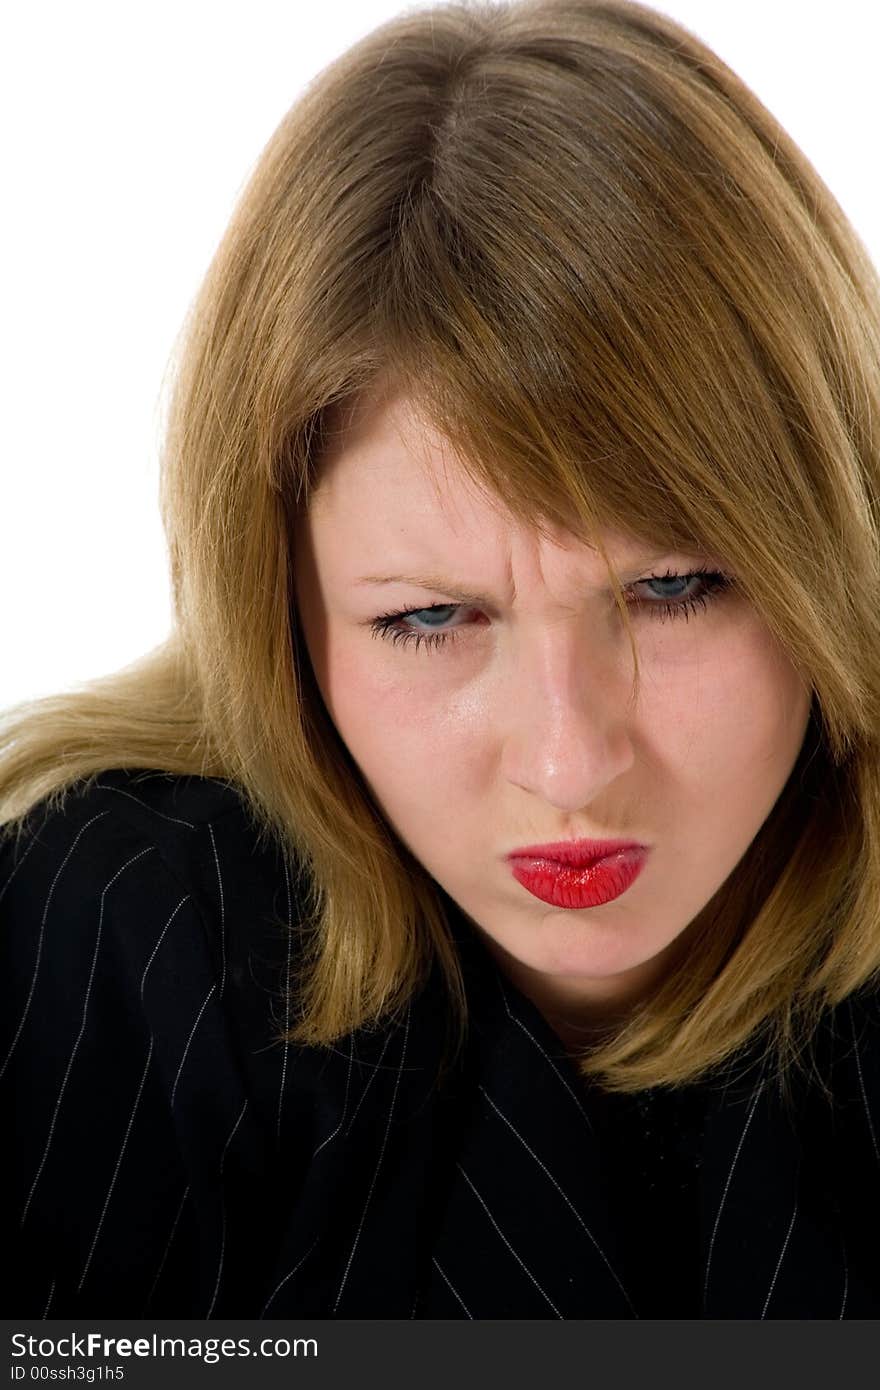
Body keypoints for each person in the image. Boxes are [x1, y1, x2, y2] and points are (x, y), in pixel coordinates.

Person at [2, 0, 880, 1320]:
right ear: (278, 611)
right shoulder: (122, 943)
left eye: (678, 587)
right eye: (429, 619)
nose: (569, 757)